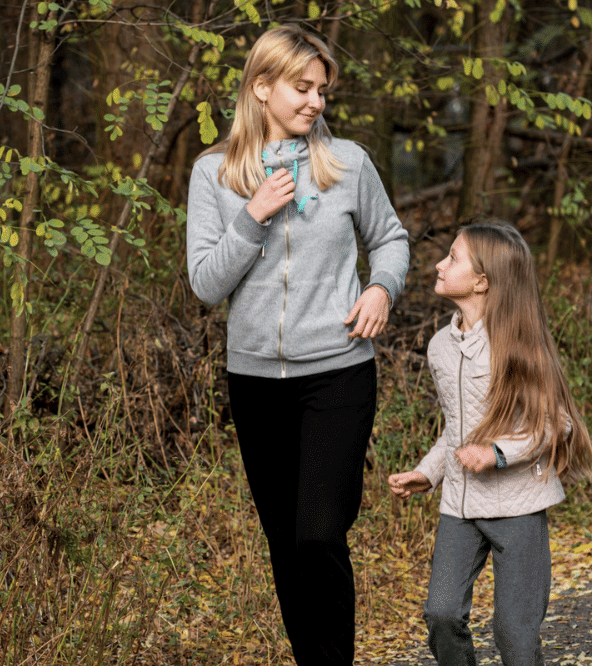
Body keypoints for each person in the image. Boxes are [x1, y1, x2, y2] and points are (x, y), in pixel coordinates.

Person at [185, 24, 409, 665]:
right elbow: (206, 283)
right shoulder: (214, 174)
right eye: (301, 88)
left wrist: (381, 289)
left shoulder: (349, 164)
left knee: (318, 534)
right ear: (261, 87)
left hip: (337, 371)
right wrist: (251, 216)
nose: (315, 102)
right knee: (285, 541)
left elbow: (390, 239)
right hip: (255, 381)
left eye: (321, 91)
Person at [388, 220, 592, 666]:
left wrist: (498, 453)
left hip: (518, 509)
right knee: (441, 614)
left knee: (515, 636)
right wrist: (428, 472)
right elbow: (456, 430)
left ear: (482, 282)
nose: (440, 264)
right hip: (459, 508)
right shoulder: (440, 346)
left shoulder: (519, 345)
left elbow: (556, 424)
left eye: (453, 258)